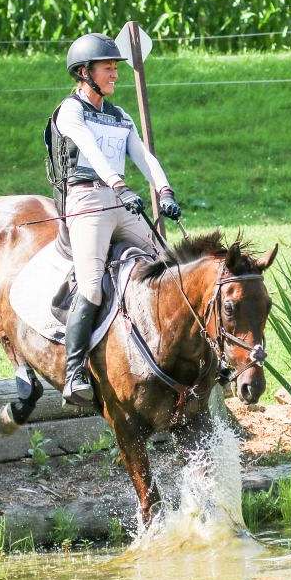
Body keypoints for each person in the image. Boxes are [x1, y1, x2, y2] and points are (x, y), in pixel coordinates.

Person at [45, 32, 182, 407]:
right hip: (87, 202)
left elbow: (143, 155)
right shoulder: (70, 111)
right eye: (108, 69)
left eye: (116, 69)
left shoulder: (119, 116)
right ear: (84, 72)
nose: (114, 75)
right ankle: (74, 372)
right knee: (91, 287)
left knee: (169, 266)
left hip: (120, 202)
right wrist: (119, 185)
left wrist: (165, 190)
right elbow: (90, 148)